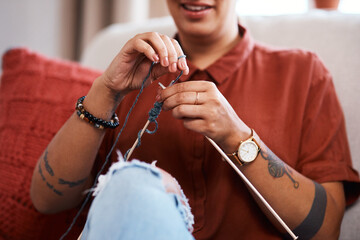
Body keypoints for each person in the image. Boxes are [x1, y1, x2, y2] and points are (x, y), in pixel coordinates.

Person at [30, 0, 360, 239]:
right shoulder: (131, 73)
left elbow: (327, 230)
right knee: (132, 184)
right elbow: (47, 201)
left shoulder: (301, 73)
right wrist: (105, 91)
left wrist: (237, 137)